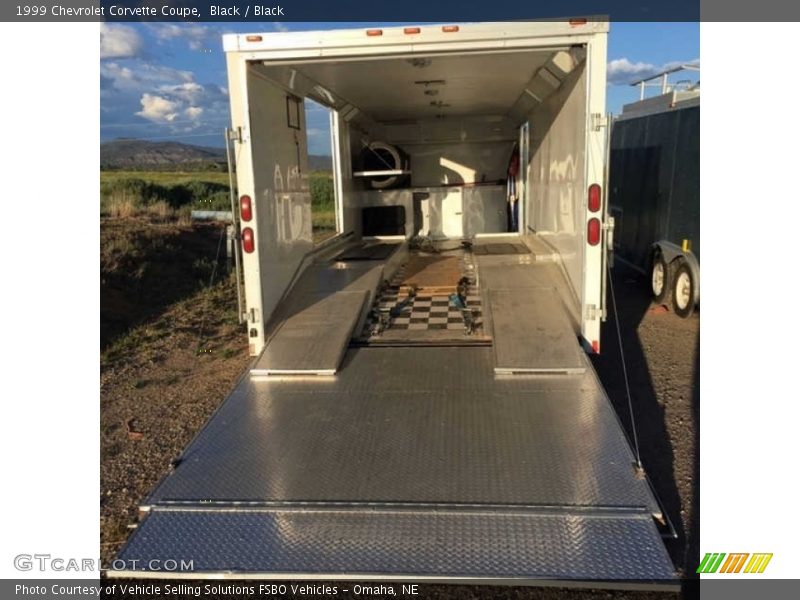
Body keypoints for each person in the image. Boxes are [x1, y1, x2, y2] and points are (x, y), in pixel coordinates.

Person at [507, 145, 520, 232]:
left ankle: (514, 227)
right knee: (513, 209)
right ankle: (514, 227)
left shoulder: (515, 173)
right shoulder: (513, 176)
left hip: (515, 193)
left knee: (514, 209)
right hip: (515, 193)